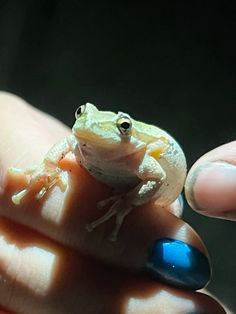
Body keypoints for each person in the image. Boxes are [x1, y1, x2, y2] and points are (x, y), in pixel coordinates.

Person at [0, 92, 231, 314]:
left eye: (123, 128)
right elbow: (67, 142)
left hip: (154, 207)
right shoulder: (80, 143)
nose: (92, 127)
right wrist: (48, 166)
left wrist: (128, 201)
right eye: (81, 113)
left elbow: (158, 177)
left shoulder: (138, 158)